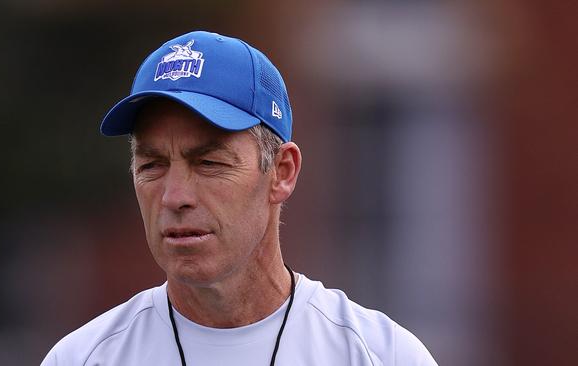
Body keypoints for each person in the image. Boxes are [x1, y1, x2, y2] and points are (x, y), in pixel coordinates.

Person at [41, 30, 438, 366]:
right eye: (153, 165)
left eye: (209, 162)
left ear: (282, 173)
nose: (174, 197)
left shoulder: (379, 356)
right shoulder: (84, 358)